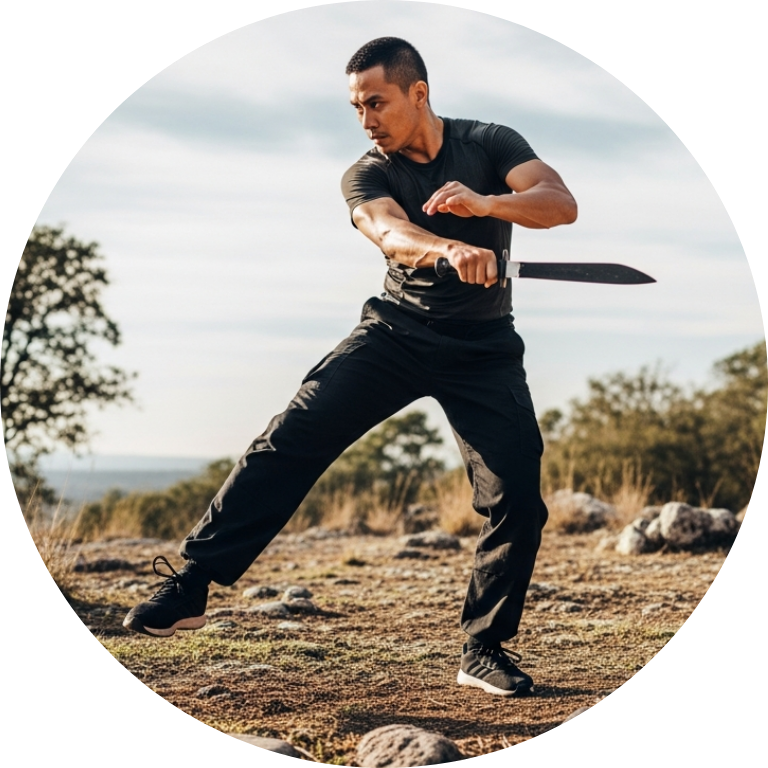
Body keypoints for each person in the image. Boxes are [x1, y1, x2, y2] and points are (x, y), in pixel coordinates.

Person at [123, 37, 577, 698]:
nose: (365, 118)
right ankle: (192, 583)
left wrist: (486, 207)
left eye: (376, 102)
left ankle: (482, 648)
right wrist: (447, 247)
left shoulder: (488, 142)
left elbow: (558, 203)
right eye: (356, 107)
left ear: (418, 93)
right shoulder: (366, 173)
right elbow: (388, 233)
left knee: (518, 499)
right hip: (394, 334)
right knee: (290, 437)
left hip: (484, 350)